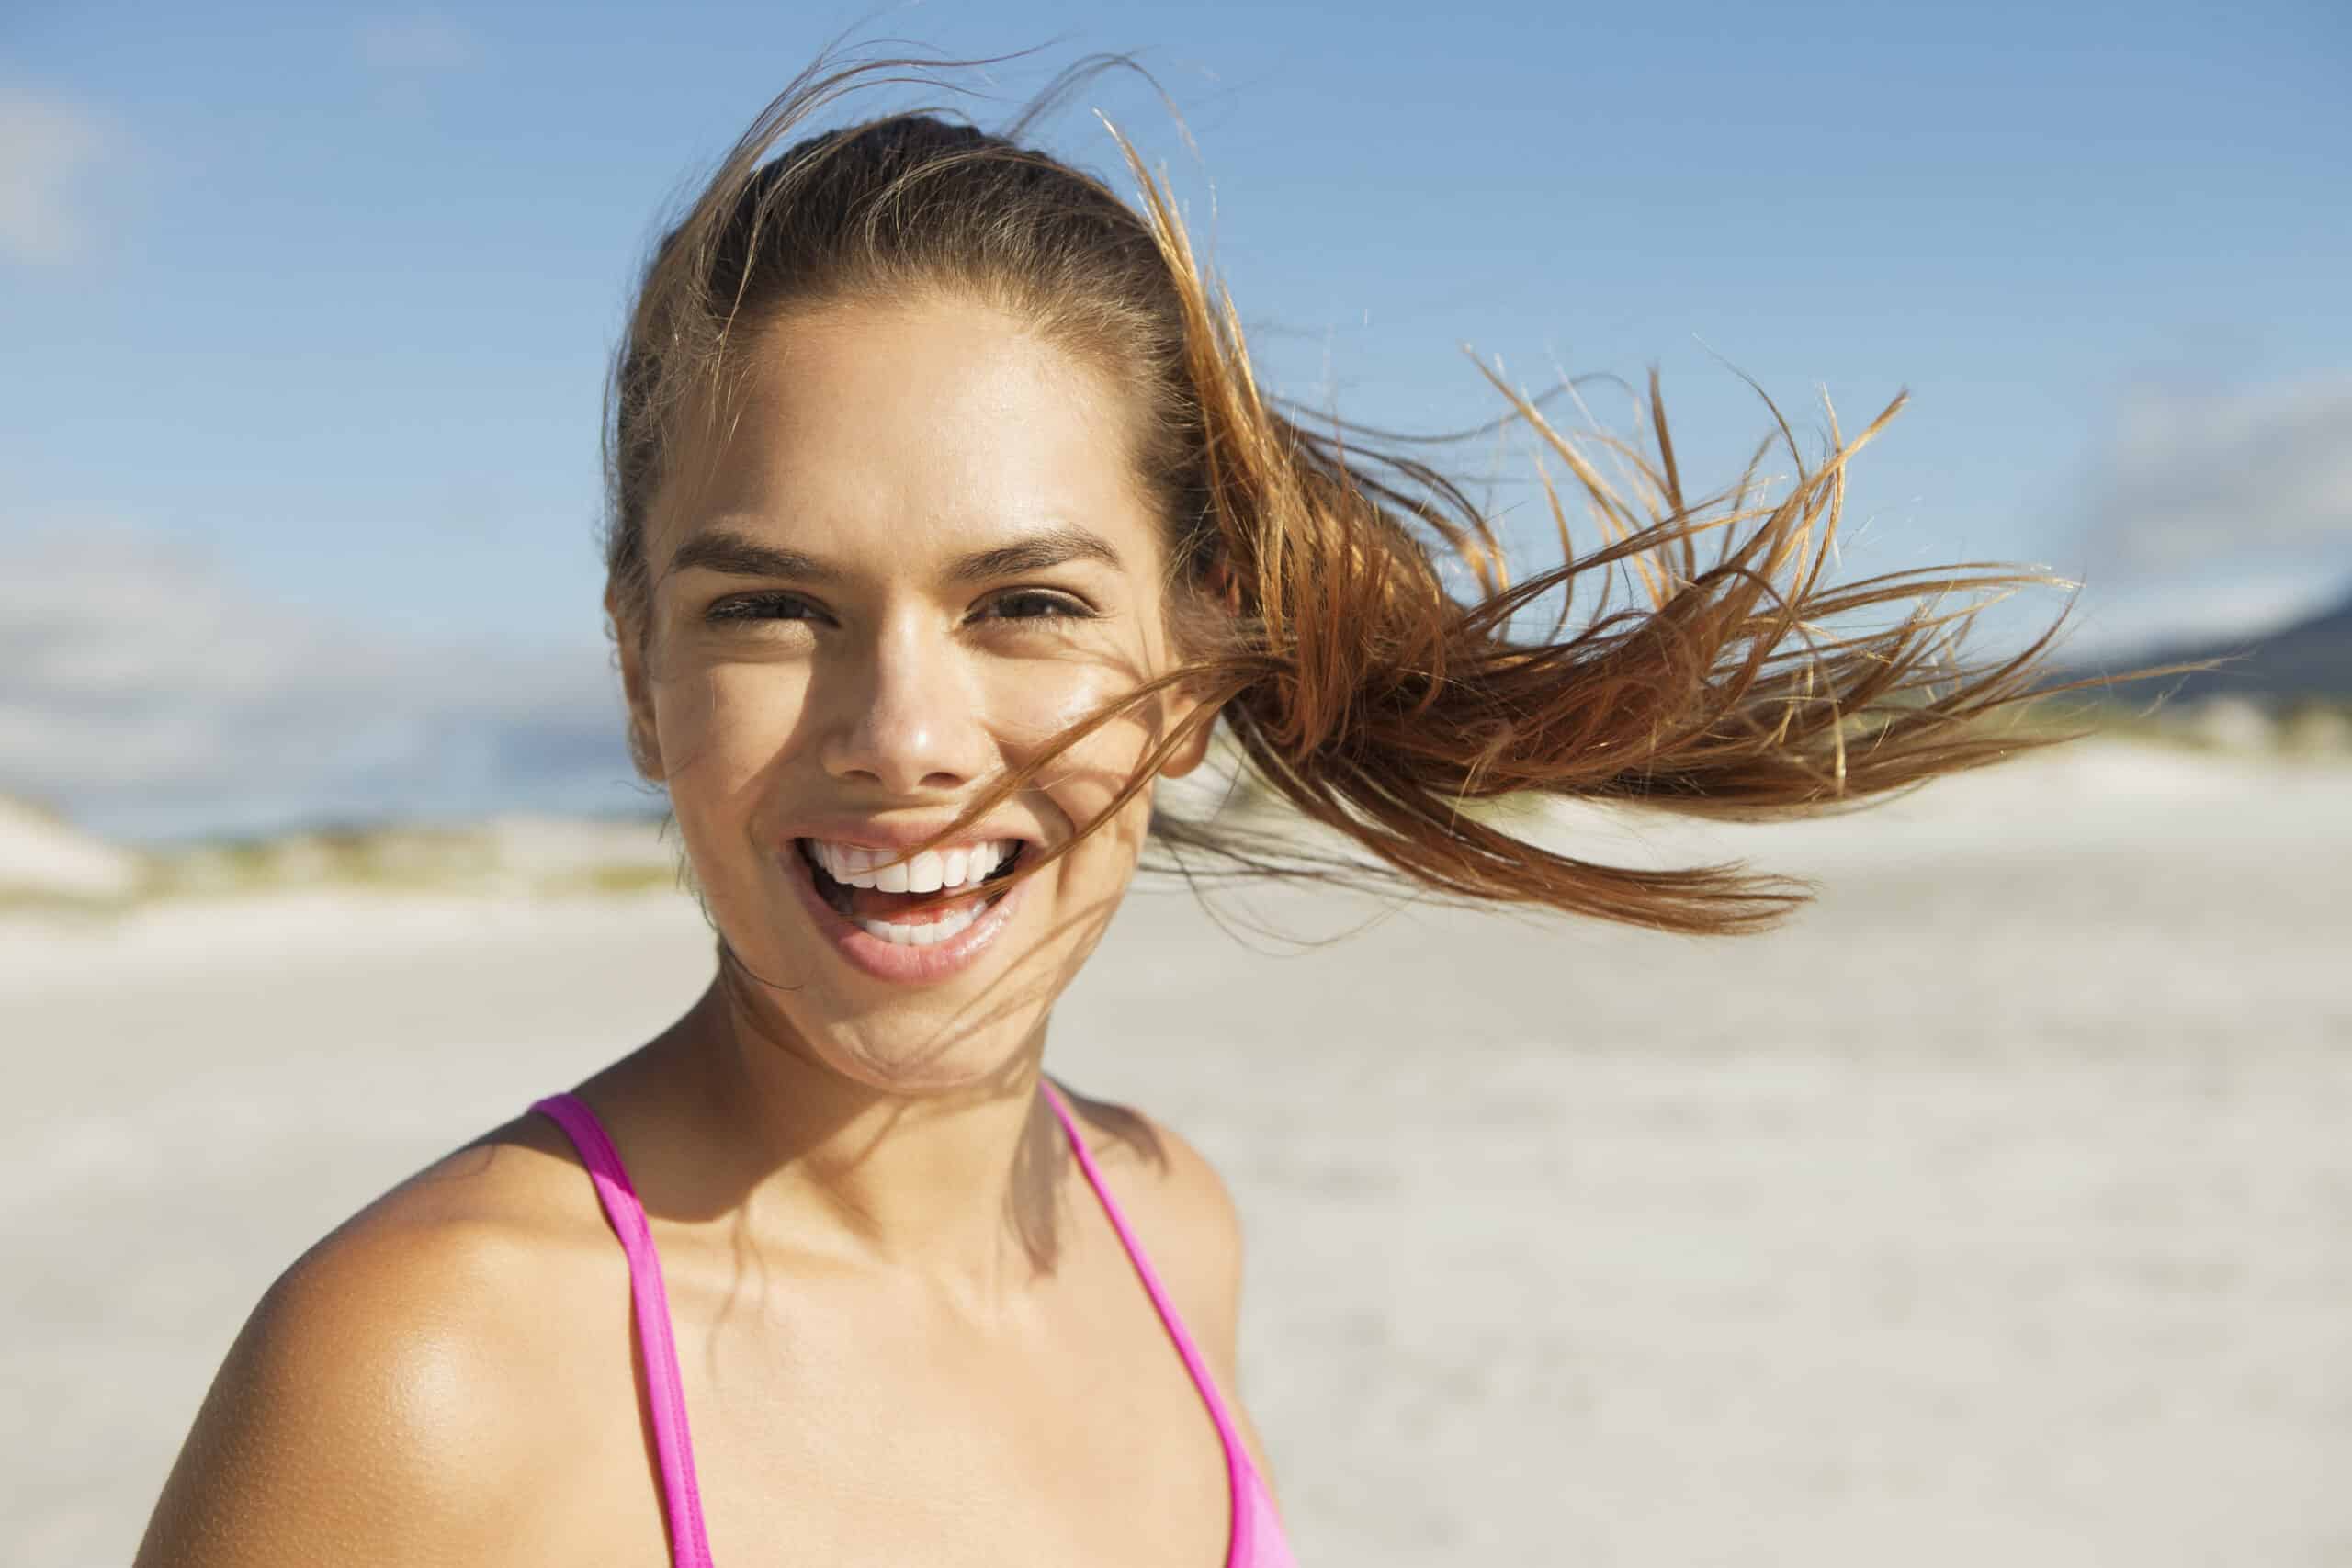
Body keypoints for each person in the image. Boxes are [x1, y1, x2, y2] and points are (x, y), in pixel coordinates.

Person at [131, 45, 2101, 1568]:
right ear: (642, 674)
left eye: (1024, 604)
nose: (905, 733)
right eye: (770, 607)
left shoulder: (1167, 1227)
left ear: (1190, 670)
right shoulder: (427, 1367)